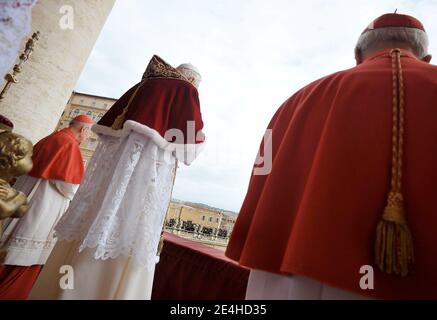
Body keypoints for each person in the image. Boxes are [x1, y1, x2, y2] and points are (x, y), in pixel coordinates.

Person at [225, 13, 437, 300]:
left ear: (357, 54)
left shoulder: (296, 102)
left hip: (297, 277)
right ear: (426, 57)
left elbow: (264, 180)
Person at [29, 55, 205, 300]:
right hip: (145, 174)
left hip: (111, 176)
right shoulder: (185, 89)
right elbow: (190, 146)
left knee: (95, 222)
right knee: (127, 232)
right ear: (192, 79)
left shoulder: (143, 86)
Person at [0, 115, 93, 299]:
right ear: (83, 130)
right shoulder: (69, 144)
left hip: (24, 196)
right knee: (24, 257)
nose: (88, 137)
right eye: (89, 133)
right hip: (43, 205)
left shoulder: (51, 137)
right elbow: (67, 186)